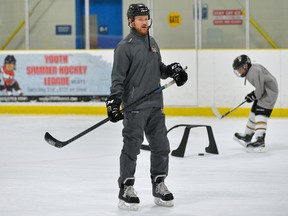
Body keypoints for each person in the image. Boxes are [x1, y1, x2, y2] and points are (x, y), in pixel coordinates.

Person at [105, 3, 188, 211]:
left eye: (146, 18)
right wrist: (114, 101)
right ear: (130, 21)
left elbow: (158, 69)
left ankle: (159, 184)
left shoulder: (152, 42)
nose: (144, 22)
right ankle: (126, 188)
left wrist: (172, 70)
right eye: (140, 19)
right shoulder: (125, 47)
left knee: (161, 146)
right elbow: (118, 78)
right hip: (135, 107)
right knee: (132, 147)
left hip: (155, 105)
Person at [232, 54, 278, 152]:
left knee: (260, 114)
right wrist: (253, 94)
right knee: (254, 112)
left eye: (239, 69)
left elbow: (260, 91)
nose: (239, 72)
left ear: (245, 66)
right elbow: (260, 88)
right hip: (266, 91)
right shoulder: (252, 70)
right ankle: (248, 135)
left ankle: (260, 140)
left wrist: (253, 95)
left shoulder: (253, 72)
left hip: (269, 93)